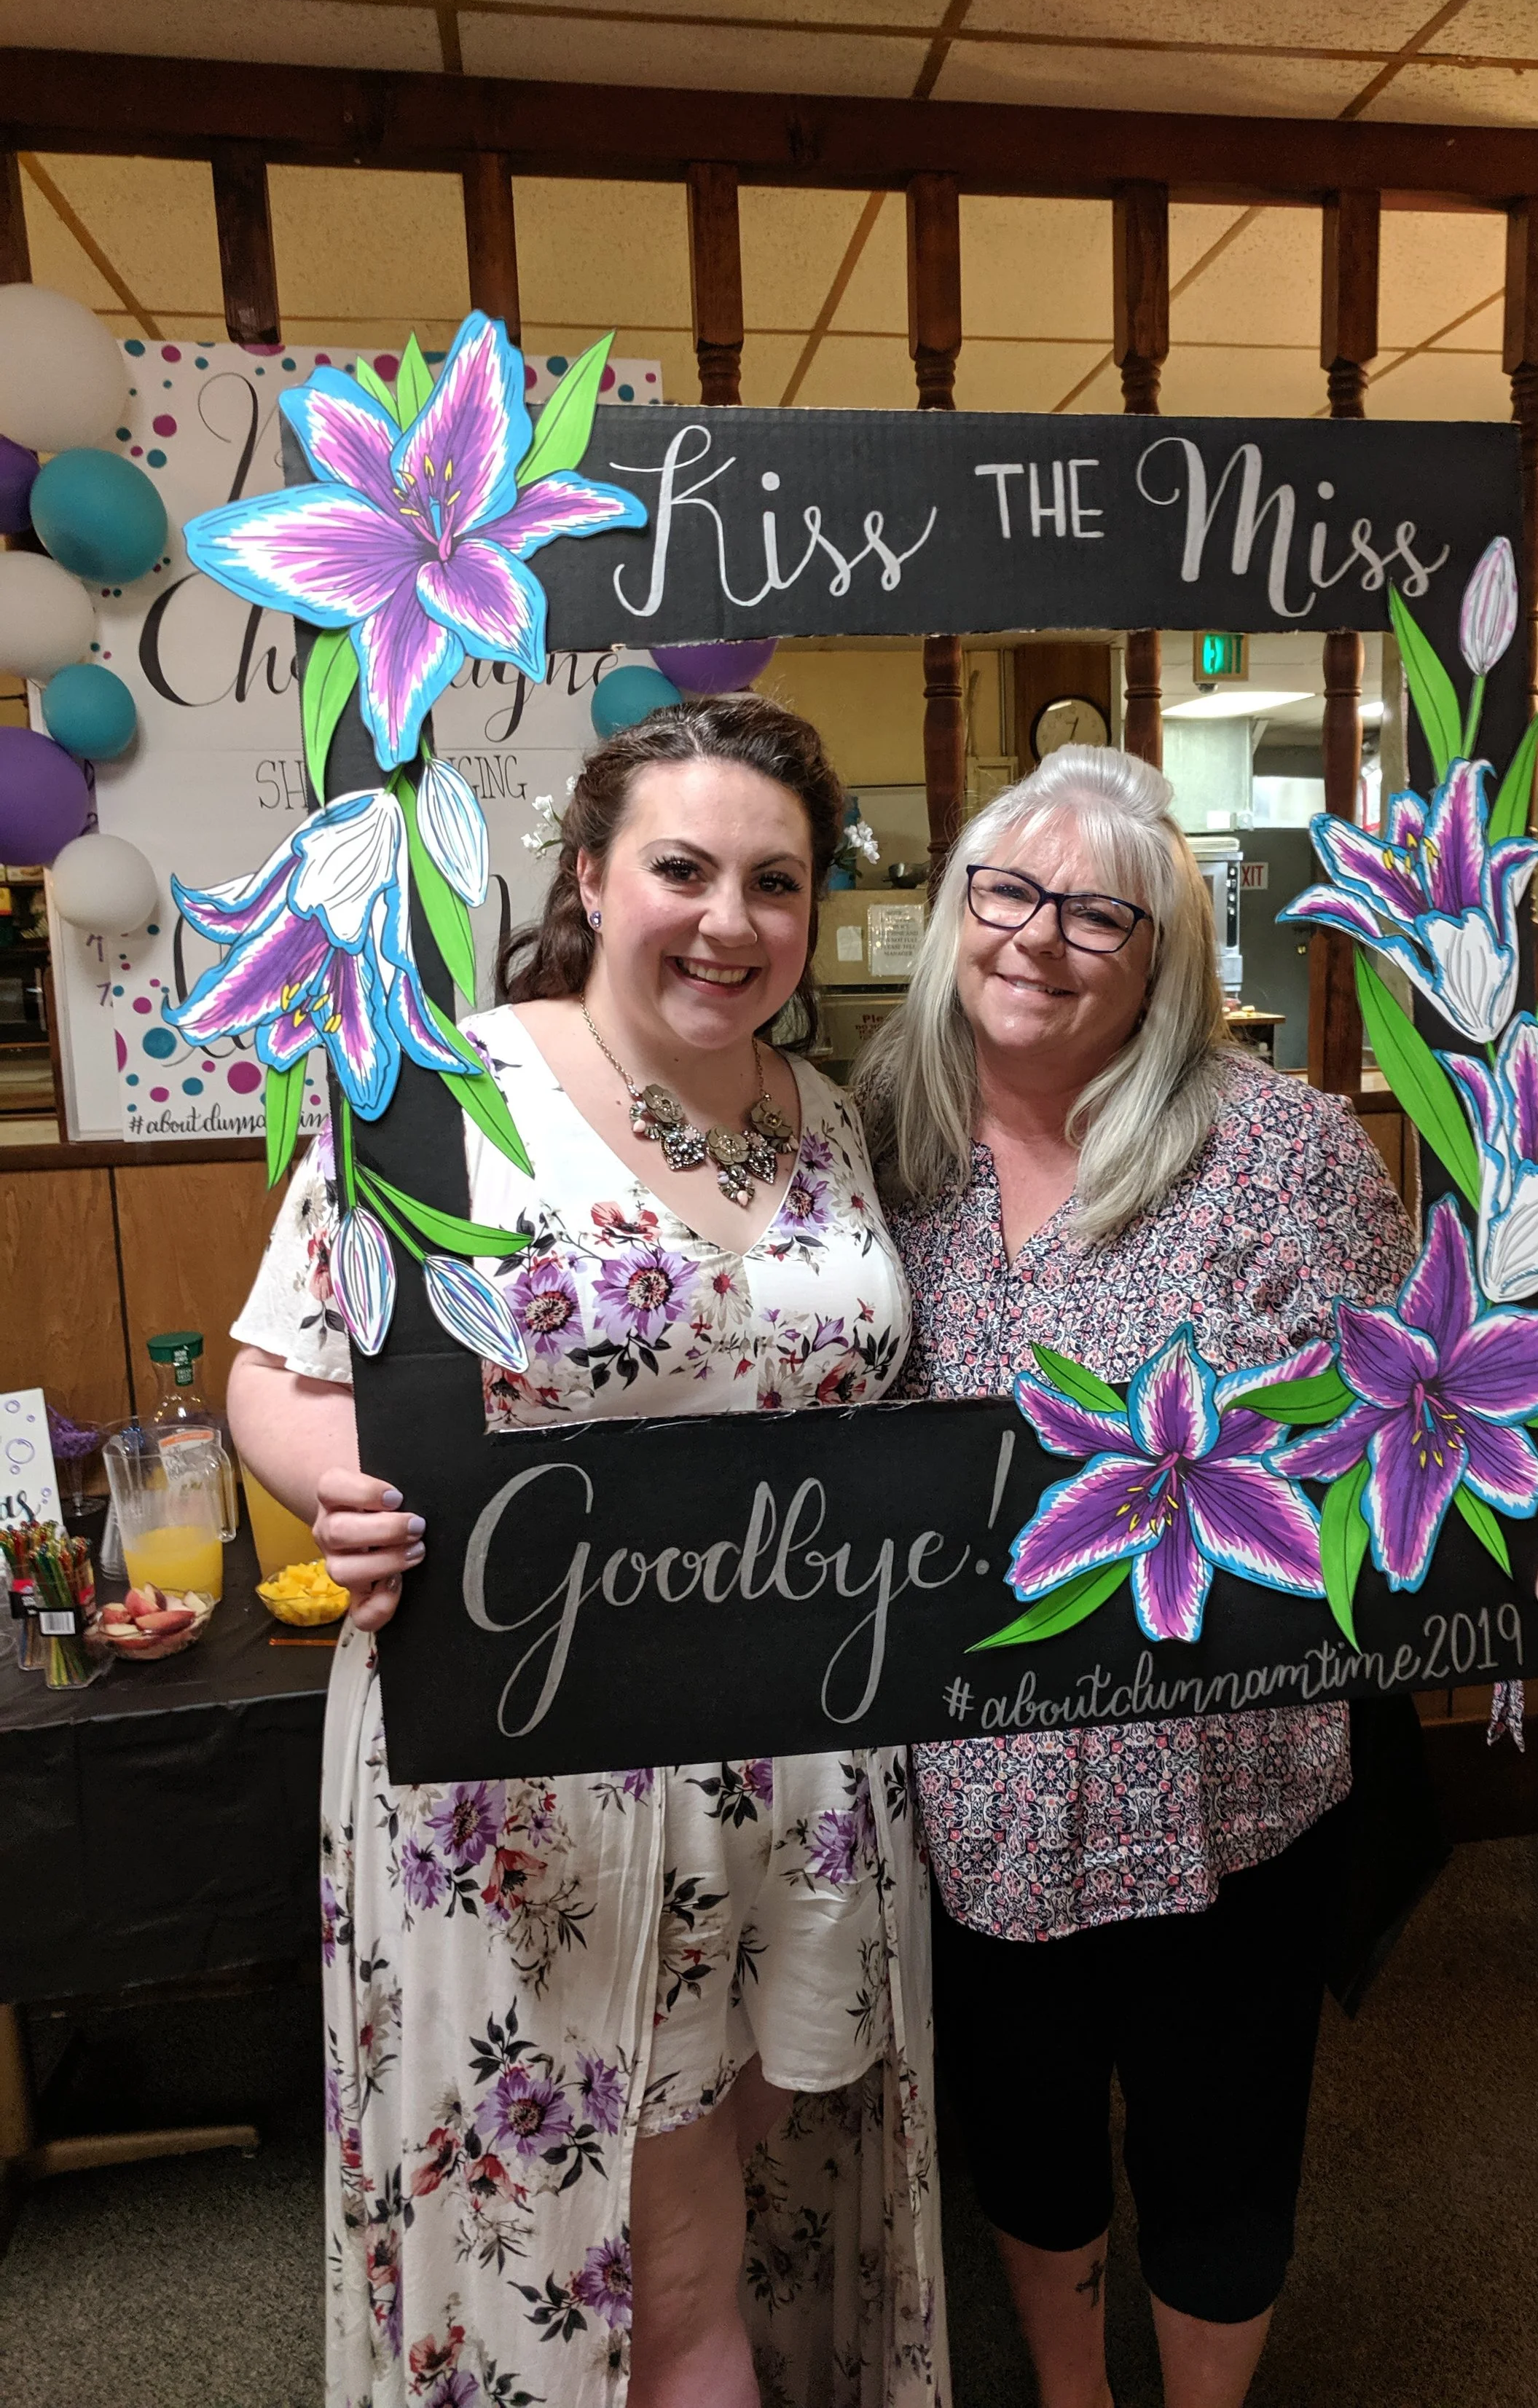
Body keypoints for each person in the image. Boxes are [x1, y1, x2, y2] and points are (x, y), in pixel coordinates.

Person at [854, 744, 1538, 2408]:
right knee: (1028, 2137)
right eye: (1006, 891)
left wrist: (1532, 1502)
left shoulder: (1280, 1147)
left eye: (1094, 912)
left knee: (1222, 2141)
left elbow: (1425, 1382)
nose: (1036, 935)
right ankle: (1071, 2394)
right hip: (973, 1792)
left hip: (1233, 1778)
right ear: (951, 913)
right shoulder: (870, 1151)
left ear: (1163, 955)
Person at [227, 697, 943, 2408]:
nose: (729, 920)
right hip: (539, 1772)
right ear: (591, 873)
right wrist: (350, 1492)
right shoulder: (442, 1098)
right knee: (633, 2238)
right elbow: (273, 1360)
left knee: (754, 2156)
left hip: (801, 1751)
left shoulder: (830, 1119)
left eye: (775, 882)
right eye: (681, 868)